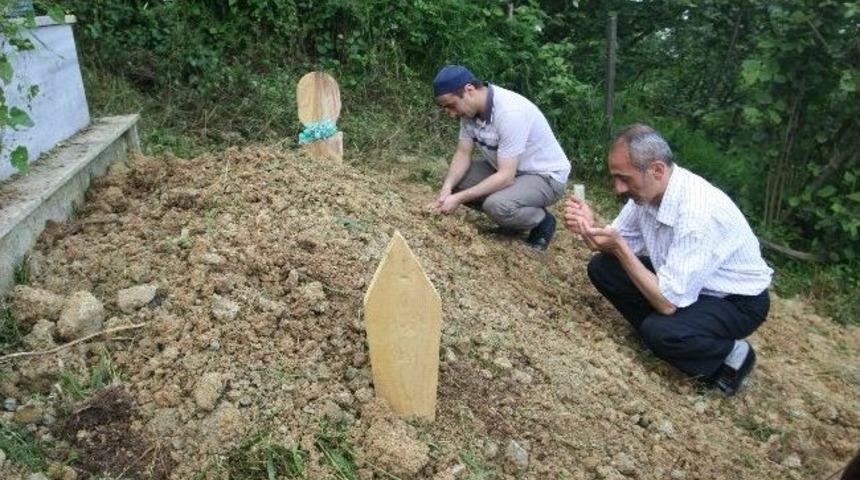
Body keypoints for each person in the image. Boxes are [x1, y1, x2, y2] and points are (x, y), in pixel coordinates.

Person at [564, 124, 772, 395]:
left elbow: (667, 302)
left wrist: (620, 248)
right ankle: (663, 334)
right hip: (684, 284)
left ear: (657, 170)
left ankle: (729, 355)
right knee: (604, 268)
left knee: (662, 330)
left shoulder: (697, 212)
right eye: (615, 178)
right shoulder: (646, 196)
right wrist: (589, 227)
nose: (618, 188)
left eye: (624, 178)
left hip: (735, 301)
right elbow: (613, 241)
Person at [426, 64, 571, 250]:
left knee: (496, 205)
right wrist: (447, 189)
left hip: (544, 176)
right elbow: (462, 153)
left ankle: (542, 221)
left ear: (468, 90)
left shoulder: (509, 113)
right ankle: (512, 216)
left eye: (451, 106)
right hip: (510, 169)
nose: (451, 114)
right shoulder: (468, 114)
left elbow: (506, 176)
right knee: (455, 180)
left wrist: (459, 199)